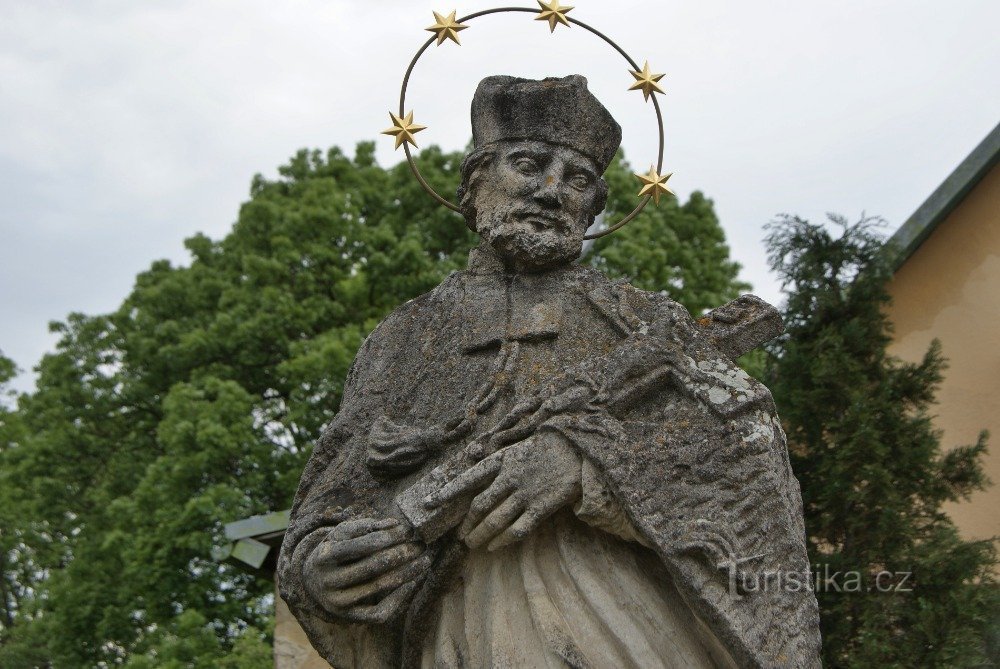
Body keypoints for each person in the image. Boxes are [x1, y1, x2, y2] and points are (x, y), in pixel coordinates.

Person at [278, 75, 821, 668]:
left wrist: (584, 466)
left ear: (593, 207)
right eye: (529, 164)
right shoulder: (405, 339)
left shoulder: (642, 322)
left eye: (578, 179)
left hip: (629, 627)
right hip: (461, 633)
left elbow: (745, 445)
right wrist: (321, 568)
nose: (551, 190)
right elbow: (332, 498)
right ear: (475, 182)